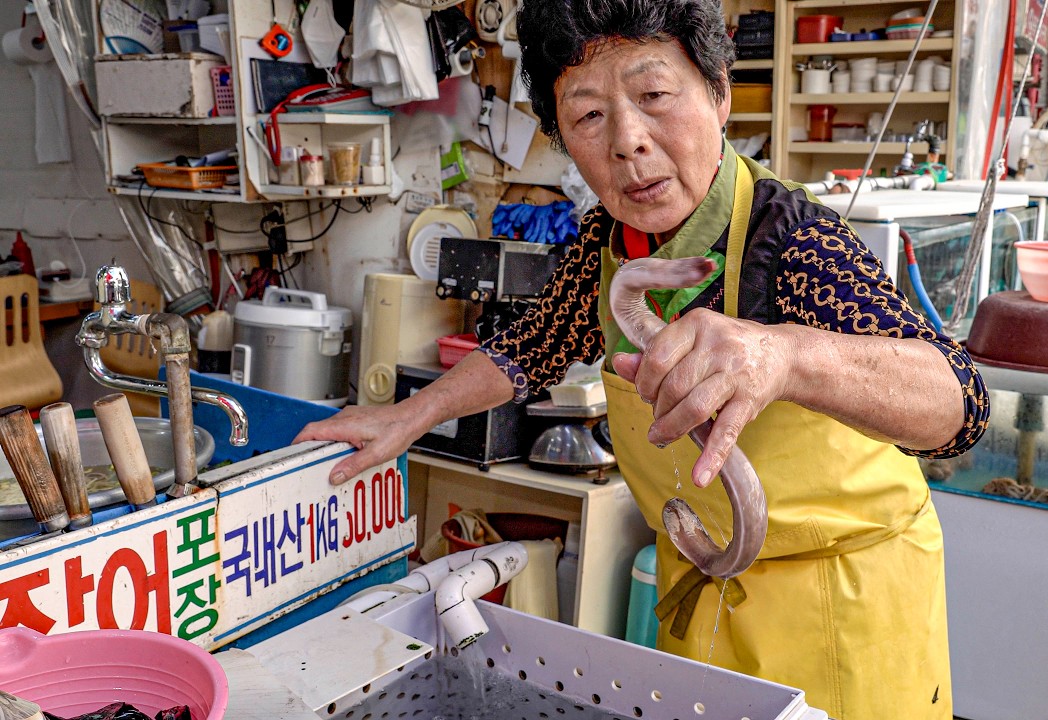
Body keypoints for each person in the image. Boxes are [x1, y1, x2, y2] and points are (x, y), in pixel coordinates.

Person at [295, 0, 988, 715]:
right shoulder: (604, 244)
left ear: (719, 93)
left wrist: (786, 355)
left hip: (847, 611)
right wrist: (413, 414)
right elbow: (530, 349)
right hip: (705, 592)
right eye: (589, 116)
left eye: (655, 96)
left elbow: (959, 404)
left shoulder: (791, 238)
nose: (628, 141)